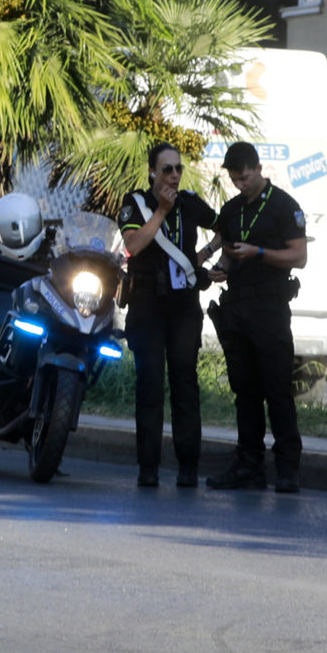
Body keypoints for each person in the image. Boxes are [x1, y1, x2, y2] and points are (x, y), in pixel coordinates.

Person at [205, 142, 310, 492]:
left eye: (245, 177)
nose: (241, 185)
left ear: (258, 168)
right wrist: (221, 266)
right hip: (237, 308)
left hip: (270, 308)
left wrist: (259, 252)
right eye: (235, 179)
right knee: (244, 392)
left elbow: (299, 256)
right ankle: (248, 465)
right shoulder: (232, 209)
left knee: (277, 389)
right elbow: (229, 250)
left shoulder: (283, 206)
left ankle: (287, 468)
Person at [119, 143, 220, 489]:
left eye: (178, 169)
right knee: (149, 385)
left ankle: (188, 467)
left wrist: (205, 254)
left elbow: (223, 227)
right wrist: (160, 212)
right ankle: (148, 468)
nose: (174, 175)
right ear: (152, 172)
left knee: (185, 384)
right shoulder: (136, 203)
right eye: (167, 170)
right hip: (147, 303)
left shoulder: (190, 203)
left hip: (183, 306)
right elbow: (132, 245)